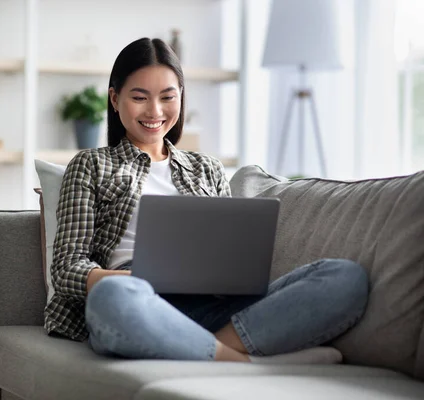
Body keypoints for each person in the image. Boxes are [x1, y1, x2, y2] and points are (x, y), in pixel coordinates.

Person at [44, 37, 369, 364]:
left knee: (344, 277)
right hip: (136, 300)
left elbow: (231, 259)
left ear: (181, 98)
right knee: (110, 297)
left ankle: (205, 347)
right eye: (140, 97)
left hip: (212, 306)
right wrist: (135, 279)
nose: (155, 111)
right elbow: (67, 268)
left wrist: (232, 276)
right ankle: (240, 358)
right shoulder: (91, 165)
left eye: (167, 97)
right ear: (115, 99)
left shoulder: (207, 168)